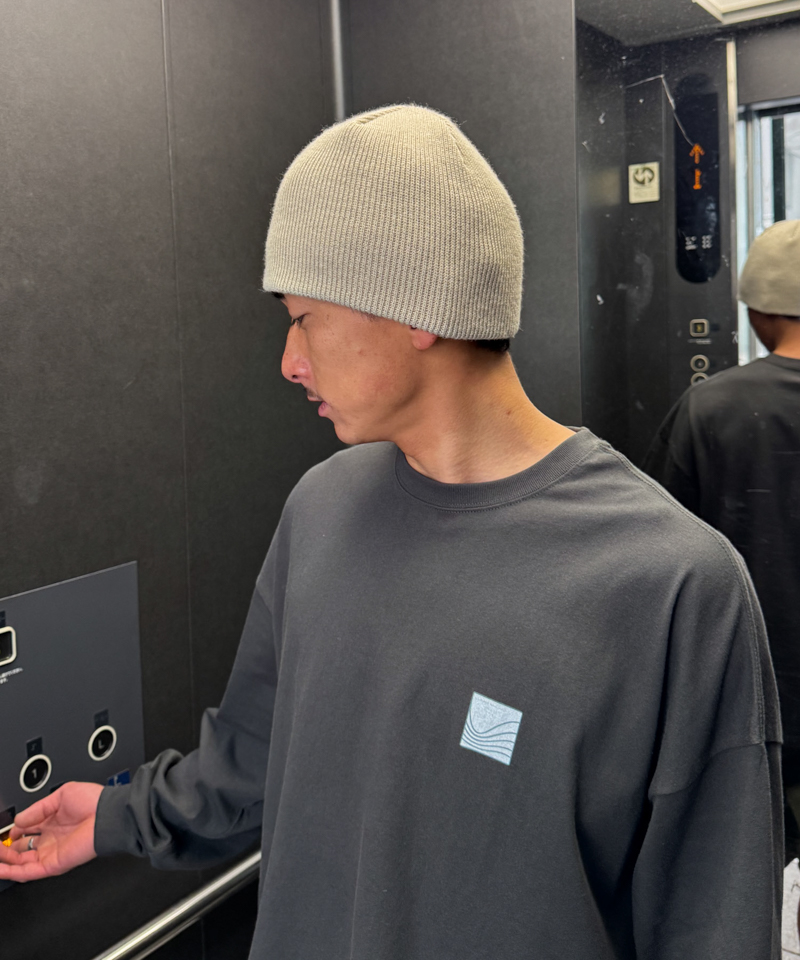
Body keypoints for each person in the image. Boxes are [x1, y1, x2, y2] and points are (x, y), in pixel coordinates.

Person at [0, 105, 784, 958]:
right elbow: (258, 759)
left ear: (416, 305)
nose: (289, 361)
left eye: (303, 317)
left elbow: (711, 923)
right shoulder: (320, 510)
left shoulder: (674, 587)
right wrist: (115, 816)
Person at [644, 218, 800, 864]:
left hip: (748, 702)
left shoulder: (708, 409)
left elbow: (656, 553)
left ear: (758, 313)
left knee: (752, 873)